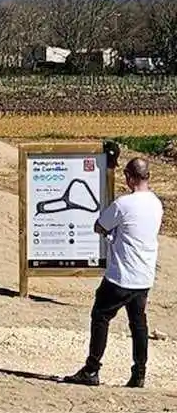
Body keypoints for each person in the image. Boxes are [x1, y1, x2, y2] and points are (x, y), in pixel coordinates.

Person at [63, 157, 163, 389]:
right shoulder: (156, 203)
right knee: (138, 323)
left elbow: (100, 225)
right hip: (144, 275)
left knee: (101, 316)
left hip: (121, 274)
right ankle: (139, 373)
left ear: (129, 177)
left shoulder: (123, 204)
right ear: (147, 176)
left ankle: (92, 369)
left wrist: (113, 233)